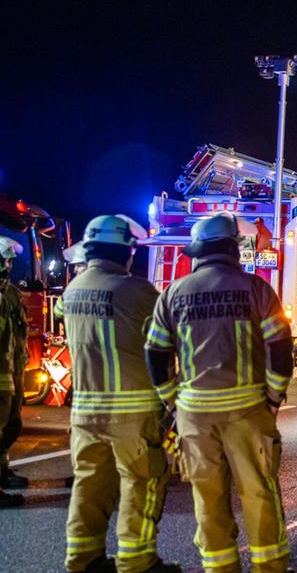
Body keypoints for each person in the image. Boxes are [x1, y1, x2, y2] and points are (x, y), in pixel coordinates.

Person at [145, 214, 294, 572]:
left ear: (198, 252)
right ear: (234, 248)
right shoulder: (256, 289)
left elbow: (155, 353)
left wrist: (173, 402)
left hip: (195, 417)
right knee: (259, 496)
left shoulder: (173, 294)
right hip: (249, 412)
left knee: (208, 501)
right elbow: (280, 347)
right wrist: (273, 398)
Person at [61, 215, 180, 572]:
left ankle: (83, 559)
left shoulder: (72, 291)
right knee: (141, 483)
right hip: (133, 415)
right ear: (126, 252)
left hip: (84, 414)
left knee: (89, 487)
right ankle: (137, 561)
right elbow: (169, 340)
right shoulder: (138, 292)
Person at [0, 237, 29, 508]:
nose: (9, 266)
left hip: (11, 368)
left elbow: (17, 331)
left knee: (12, 424)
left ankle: (3, 471)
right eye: (6, 260)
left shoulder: (9, 292)